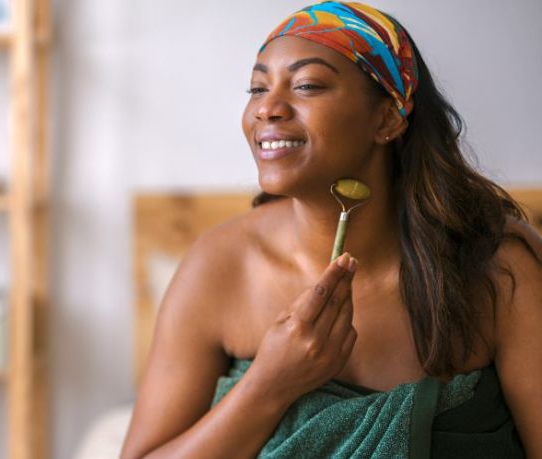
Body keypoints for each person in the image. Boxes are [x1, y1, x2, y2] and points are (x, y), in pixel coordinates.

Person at [121, 2, 542, 458]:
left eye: (306, 85)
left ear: (388, 118)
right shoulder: (219, 264)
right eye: (257, 87)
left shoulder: (500, 268)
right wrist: (268, 385)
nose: (268, 108)